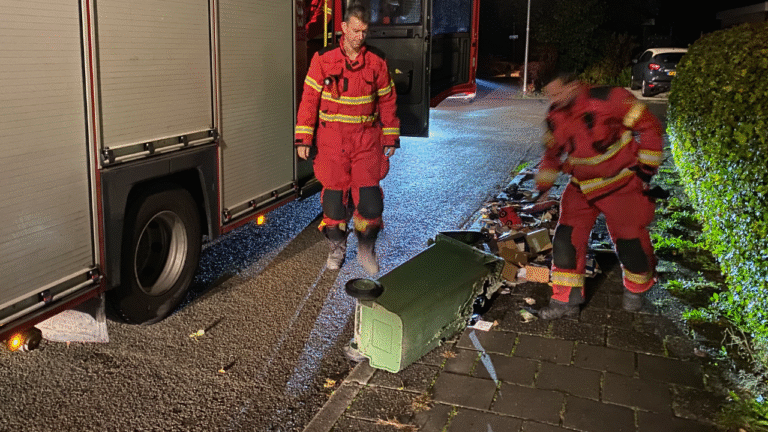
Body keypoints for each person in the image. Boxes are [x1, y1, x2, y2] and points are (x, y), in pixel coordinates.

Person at [534, 73, 664, 319]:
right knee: (565, 241)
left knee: (631, 244)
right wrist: (542, 187)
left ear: (573, 84)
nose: (555, 100)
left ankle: (637, 291)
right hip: (582, 187)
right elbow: (552, 155)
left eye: (559, 93)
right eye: (550, 96)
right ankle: (565, 302)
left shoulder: (612, 98)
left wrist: (645, 172)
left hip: (621, 184)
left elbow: (650, 127)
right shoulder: (555, 116)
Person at [295, 1, 400, 275]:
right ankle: (337, 249)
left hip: (366, 143)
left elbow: (387, 101)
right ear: (343, 28)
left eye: (364, 32)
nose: (359, 37)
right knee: (333, 205)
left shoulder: (377, 61)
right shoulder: (323, 59)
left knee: (370, 203)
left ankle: (365, 250)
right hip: (332, 144)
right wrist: (304, 137)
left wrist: (390, 137)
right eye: (355, 31)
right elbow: (309, 99)